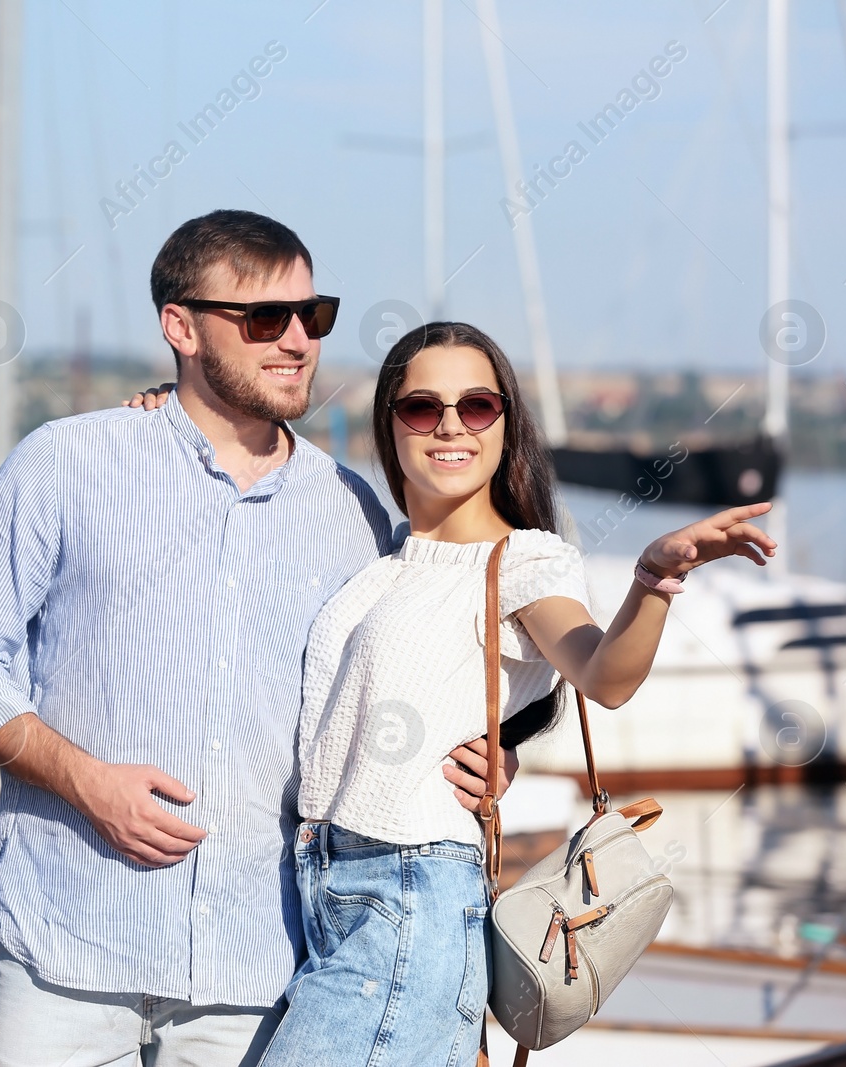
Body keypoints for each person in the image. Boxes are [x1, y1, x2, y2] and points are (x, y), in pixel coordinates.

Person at [0, 210, 513, 1067]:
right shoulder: (67, 464)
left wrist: (489, 758)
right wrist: (85, 780)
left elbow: (411, 695)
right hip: (65, 951)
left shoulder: (356, 515)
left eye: (315, 315)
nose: (299, 340)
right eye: (266, 319)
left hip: (259, 975)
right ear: (180, 326)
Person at [237, 321, 773, 1066]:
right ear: (390, 426)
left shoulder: (524, 560)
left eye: (477, 405)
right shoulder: (383, 560)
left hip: (408, 904)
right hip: (323, 895)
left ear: (505, 424)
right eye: (423, 407)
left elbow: (604, 673)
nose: (451, 424)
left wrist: (654, 580)